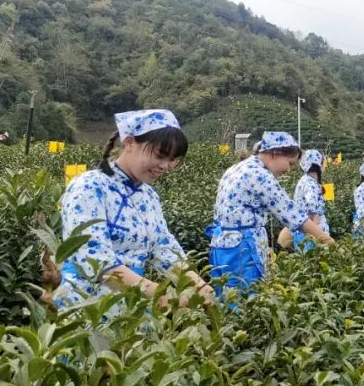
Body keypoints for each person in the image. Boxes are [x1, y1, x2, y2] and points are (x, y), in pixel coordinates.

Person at [55, 109, 214, 312]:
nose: (166, 166)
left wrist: (198, 285)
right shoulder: (89, 187)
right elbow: (94, 260)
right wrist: (161, 296)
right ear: (130, 143)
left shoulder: (148, 195)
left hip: (131, 305)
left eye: (173, 159)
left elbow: (163, 248)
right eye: (160, 155)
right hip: (89, 304)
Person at [207, 131, 322, 294]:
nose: (289, 170)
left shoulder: (237, 168)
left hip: (220, 246)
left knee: (225, 300)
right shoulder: (260, 175)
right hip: (242, 250)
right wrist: (327, 240)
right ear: (275, 153)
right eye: (290, 163)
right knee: (246, 302)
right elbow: (294, 216)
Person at [292, 149, 335, 251]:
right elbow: (311, 202)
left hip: (305, 228)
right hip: (312, 232)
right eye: (323, 162)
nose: (325, 165)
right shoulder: (310, 183)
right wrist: (313, 219)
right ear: (317, 165)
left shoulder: (306, 180)